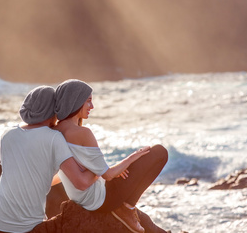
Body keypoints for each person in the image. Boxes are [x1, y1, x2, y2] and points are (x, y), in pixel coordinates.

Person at [0, 85, 98, 233]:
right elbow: (81, 183)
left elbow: (30, 176)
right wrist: (98, 169)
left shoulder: (8, 135)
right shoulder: (54, 138)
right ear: (53, 111)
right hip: (29, 228)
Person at [53, 79, 169, 233]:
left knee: (147, 222)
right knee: (159, 152)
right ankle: (127, 209)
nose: (92, 107)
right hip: (102, 199)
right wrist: (132, 157)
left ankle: (128, 209)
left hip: (82, 199)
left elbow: (70, 171)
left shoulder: (54, 132)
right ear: (76, 101)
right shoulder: (83, 133)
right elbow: (108, 175)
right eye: (88, 101)